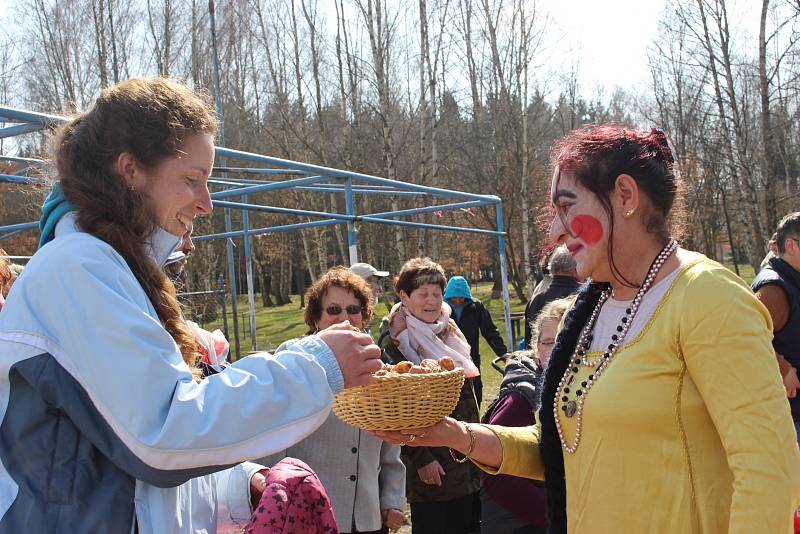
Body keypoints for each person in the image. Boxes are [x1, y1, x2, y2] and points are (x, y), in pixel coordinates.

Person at [0, 77, 382, 533]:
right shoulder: (78, 269)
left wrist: (241, 485)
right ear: (131, 170)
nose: (206, 202)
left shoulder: (113, 271)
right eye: (192, 180)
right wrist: (315, 365)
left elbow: (127, 459)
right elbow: (163, 434)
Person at [374, 125, 800, 533]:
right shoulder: (590, 308)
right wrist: (455, 434)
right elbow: (561, 448)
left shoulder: (707, 296)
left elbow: (769, 469)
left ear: (626, 196)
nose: (557, 231)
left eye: (567, 207)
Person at [261, 267, 406, 534]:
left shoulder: (380, 368)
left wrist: (392, 499)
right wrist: (275, 495)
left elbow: (390, 445)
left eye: (353, 309)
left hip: (366, 515)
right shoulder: (292, 360)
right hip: (307, 513)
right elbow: (274, 441)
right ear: (316, 317)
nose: (345, 317)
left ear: (364, 316)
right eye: (334, 309)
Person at [379, 257, 481, 534]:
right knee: (437, 523)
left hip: (464, 449)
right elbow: (394, 408)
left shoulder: (449, 330)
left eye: (437, 294)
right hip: (431, 458)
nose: (432, 301)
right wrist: (422, 459)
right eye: (423, 294)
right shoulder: (395, 341)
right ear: (404, 296)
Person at [479, 297, 571, 534]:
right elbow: (496, 477)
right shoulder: (521, 397)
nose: (557, 349)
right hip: (520, 524)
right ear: (536, 347)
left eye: (565, 339)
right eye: (549, 342)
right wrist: (558, 518)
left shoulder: (571, 391)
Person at [752, 212, 800, 438]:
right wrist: (783, 368)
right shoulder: (774, 289)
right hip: (790, 416)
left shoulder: (792, 278)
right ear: (791, 245)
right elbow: (747, 337)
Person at [444, 275, 508, 406]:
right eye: (453, 298)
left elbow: (490, 331)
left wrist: (503, 353)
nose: (457, 300)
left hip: (471, 358)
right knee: (450, 397)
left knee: (475, 394)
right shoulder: (442, 309)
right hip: (447, 360)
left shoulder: (476, 307)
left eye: (460, 297)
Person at [523, 246, 581, 349]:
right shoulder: (583, 297)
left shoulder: (537, 300)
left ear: (552, 269)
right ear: (575, 268)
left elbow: (529, 340)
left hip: (540, 359)